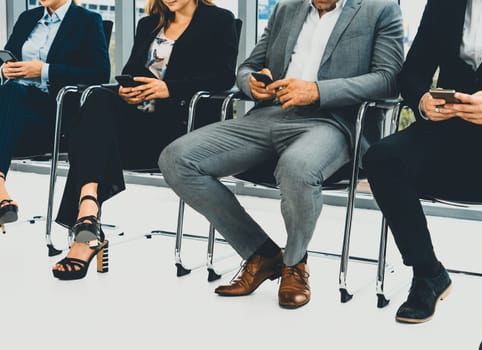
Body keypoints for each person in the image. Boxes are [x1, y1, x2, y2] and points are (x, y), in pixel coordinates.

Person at [158, 0, 403, 309]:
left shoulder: (379, 10)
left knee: (297, 167)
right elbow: (247, 67)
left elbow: (388, 79)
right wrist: (252, 83)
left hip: (331, 121)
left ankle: (295, 263)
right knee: (176, 158)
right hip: (268, 115)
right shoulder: (286, 9)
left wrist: (317, 90)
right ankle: (261, 253)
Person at [363, 0, 482, 348]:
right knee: (381, 159)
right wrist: (422, 98)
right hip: (451, 130)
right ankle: (428, 273)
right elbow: (413, 70)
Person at [51, 0, 238, 280]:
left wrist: (168, 89)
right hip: (137, 124)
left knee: (88, 141)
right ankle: (88, 210)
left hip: (179, 129)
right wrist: (126, 90)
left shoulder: (219, 19)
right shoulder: (149, 23)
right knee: (98, 99)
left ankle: (86, 233)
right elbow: (131, 71)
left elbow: (223, 78)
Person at [0, 0, 110, 233]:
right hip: (15, 109)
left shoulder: (88, 21)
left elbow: (99, 73)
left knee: (12, 91)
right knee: (11, 89)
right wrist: (4, 70)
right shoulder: (27, 19)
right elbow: (7, 59)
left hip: (56, 112)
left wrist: (44, 71)